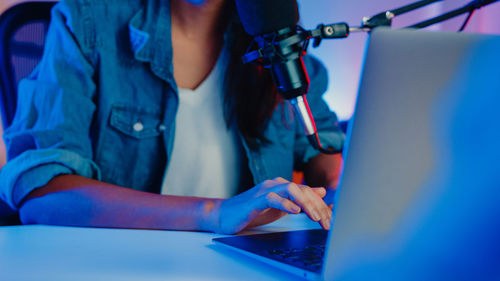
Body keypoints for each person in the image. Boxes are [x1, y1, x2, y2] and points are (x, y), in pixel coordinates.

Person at [0, 0, 344, 234]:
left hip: (242, 267)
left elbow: (323, 156)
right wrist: (215, 213)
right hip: (121, 265)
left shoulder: (277, 47)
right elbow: (40, 194)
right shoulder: (88, 20)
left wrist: (349, 183)